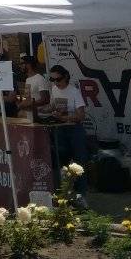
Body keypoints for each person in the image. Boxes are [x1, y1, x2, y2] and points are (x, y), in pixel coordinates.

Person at [40, 63, 89, 201]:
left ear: (65, 77)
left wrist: (65, 117)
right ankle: (66, 193)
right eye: (53, 80)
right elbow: (53, 105)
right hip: (60, 129)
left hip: (74, 129)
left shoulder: (74, 91)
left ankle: (82, 194)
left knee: (79, 162)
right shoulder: (55, 89)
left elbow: (81, 115)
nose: (56, 82)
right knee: (62, 162)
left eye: (58, 79)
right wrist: (43, 109)